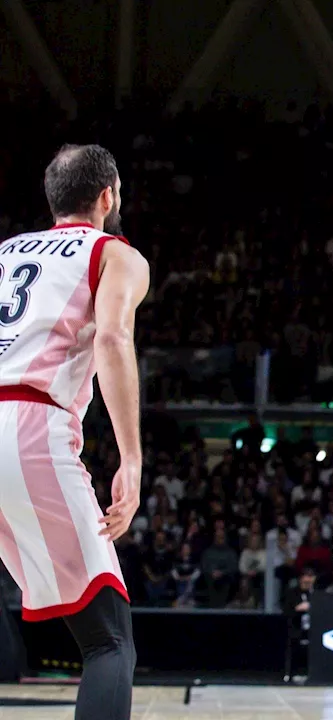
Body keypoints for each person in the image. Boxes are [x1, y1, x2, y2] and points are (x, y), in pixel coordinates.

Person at [0, 145, 149, 720]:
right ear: (108, 195)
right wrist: (131, 459)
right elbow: (112, 340)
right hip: (30, 423)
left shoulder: (7, 251)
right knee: (109, 639)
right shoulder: (116, 254)